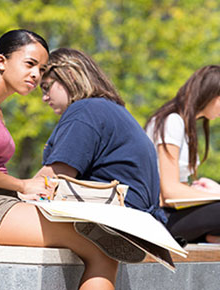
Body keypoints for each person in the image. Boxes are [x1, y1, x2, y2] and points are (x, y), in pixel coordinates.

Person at [0, 30, 120, 290]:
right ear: (1, 61)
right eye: (30, 64)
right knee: (100, 246)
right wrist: (23, 185)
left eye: (42, 68)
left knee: (100, 238)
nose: (37, 75)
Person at [34, 47, 167, 257]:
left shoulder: (84, 111)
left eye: (46, 87)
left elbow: (52, 180)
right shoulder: (110, 109)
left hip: (116, 219)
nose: (44, 97)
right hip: (142, 220)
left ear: (69, 75)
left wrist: (7, 197)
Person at [145, 65, 220, 245]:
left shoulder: (184, 125)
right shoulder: (172, 121)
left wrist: (202, 191)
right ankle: (210, 237)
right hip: (158, 216)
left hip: (170, 212)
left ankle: (210, 237)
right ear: (210, 93)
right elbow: (170, 191)